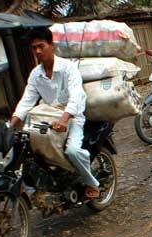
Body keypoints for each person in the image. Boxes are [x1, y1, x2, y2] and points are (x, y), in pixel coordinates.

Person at [10, 27, 101, 199]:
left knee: (72, 151)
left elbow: (76, 96)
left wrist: (65, 120)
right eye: (34, 48)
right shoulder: (35, 75)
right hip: (49, 117)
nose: (37, 51)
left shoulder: (69, 69)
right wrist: (10, 124)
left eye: (41, 46)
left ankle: (92, 183)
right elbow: (26, 101)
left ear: (51, 45)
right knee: (28, 149)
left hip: (72, 118)